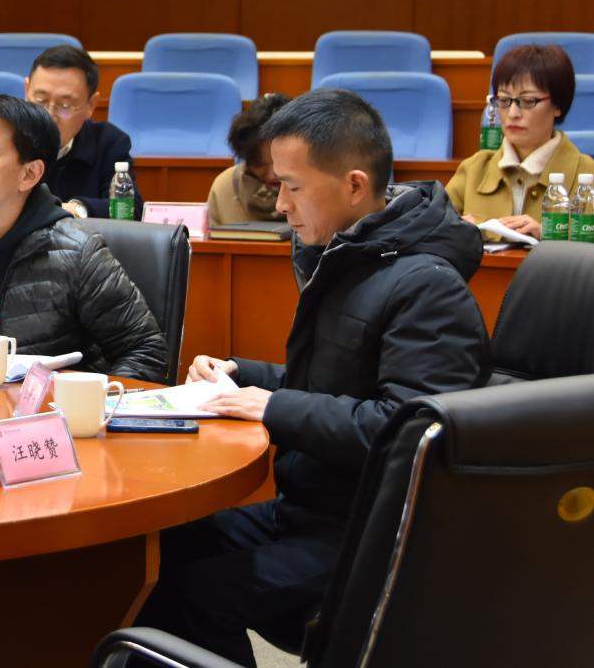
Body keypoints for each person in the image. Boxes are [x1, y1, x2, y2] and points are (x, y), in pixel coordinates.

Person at [135, 89, 490, 666]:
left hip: (371, 532)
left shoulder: (427, 286)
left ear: (354, 185)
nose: (280, 205)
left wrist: (270, 408)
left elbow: (410, 432)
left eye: (292, 187)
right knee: (160, 548)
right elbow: (337, 384)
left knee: (194, 597)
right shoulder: (353, 258)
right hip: (309, 508)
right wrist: (241, 376)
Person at [0, 92, 166, 382]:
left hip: (47, 409)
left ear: (29, 174)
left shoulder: (77, 252)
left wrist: (81, 399)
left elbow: (147, 352)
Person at [0, 45, 142, 219]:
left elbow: (130, 209)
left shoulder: (109, 142)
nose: (49, 114)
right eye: (41, 100)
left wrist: (76, 209)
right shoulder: (0, 137)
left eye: (65, 105)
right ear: (26, 90)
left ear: (91, 105)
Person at [446, 43, 594, 241]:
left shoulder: (587, 173)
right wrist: (454, 230)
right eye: (504, 100)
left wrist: (548, 235)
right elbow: (427, 232)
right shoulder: (474, 169)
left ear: (557, 105)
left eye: (528, 101)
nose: (513, 113)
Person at [206, 92, 291, 226]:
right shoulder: (225, 187)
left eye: (279, 163)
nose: (272, 175)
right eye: (259, 164)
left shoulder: (316, 186)